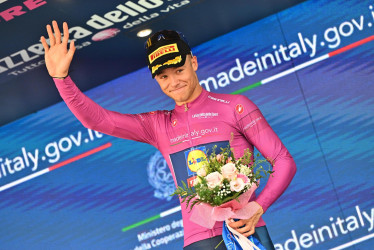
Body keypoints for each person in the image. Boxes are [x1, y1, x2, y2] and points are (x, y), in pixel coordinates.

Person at [41, 20, 296, 250]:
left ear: (193, 63)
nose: (173, 82)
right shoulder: (158, 125)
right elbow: (97, 120)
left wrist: (256, 208)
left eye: (179, 70)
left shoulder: (235, 106)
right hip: (196, 242)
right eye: (163, 76)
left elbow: (283, 160)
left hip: (245, 231)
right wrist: (60, 78)